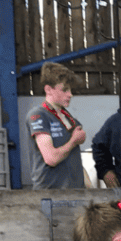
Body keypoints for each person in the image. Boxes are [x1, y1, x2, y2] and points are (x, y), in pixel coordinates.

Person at [24, 61, 87, 189]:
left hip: (76, 192)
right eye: (64, 90)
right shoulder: (38, 115)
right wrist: (73, 142)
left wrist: (88, 187)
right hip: (51, 195)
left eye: (70, 89)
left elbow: (75, 160)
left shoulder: (69, 118)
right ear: (48, 89)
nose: (70, 94)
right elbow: (51, 158)